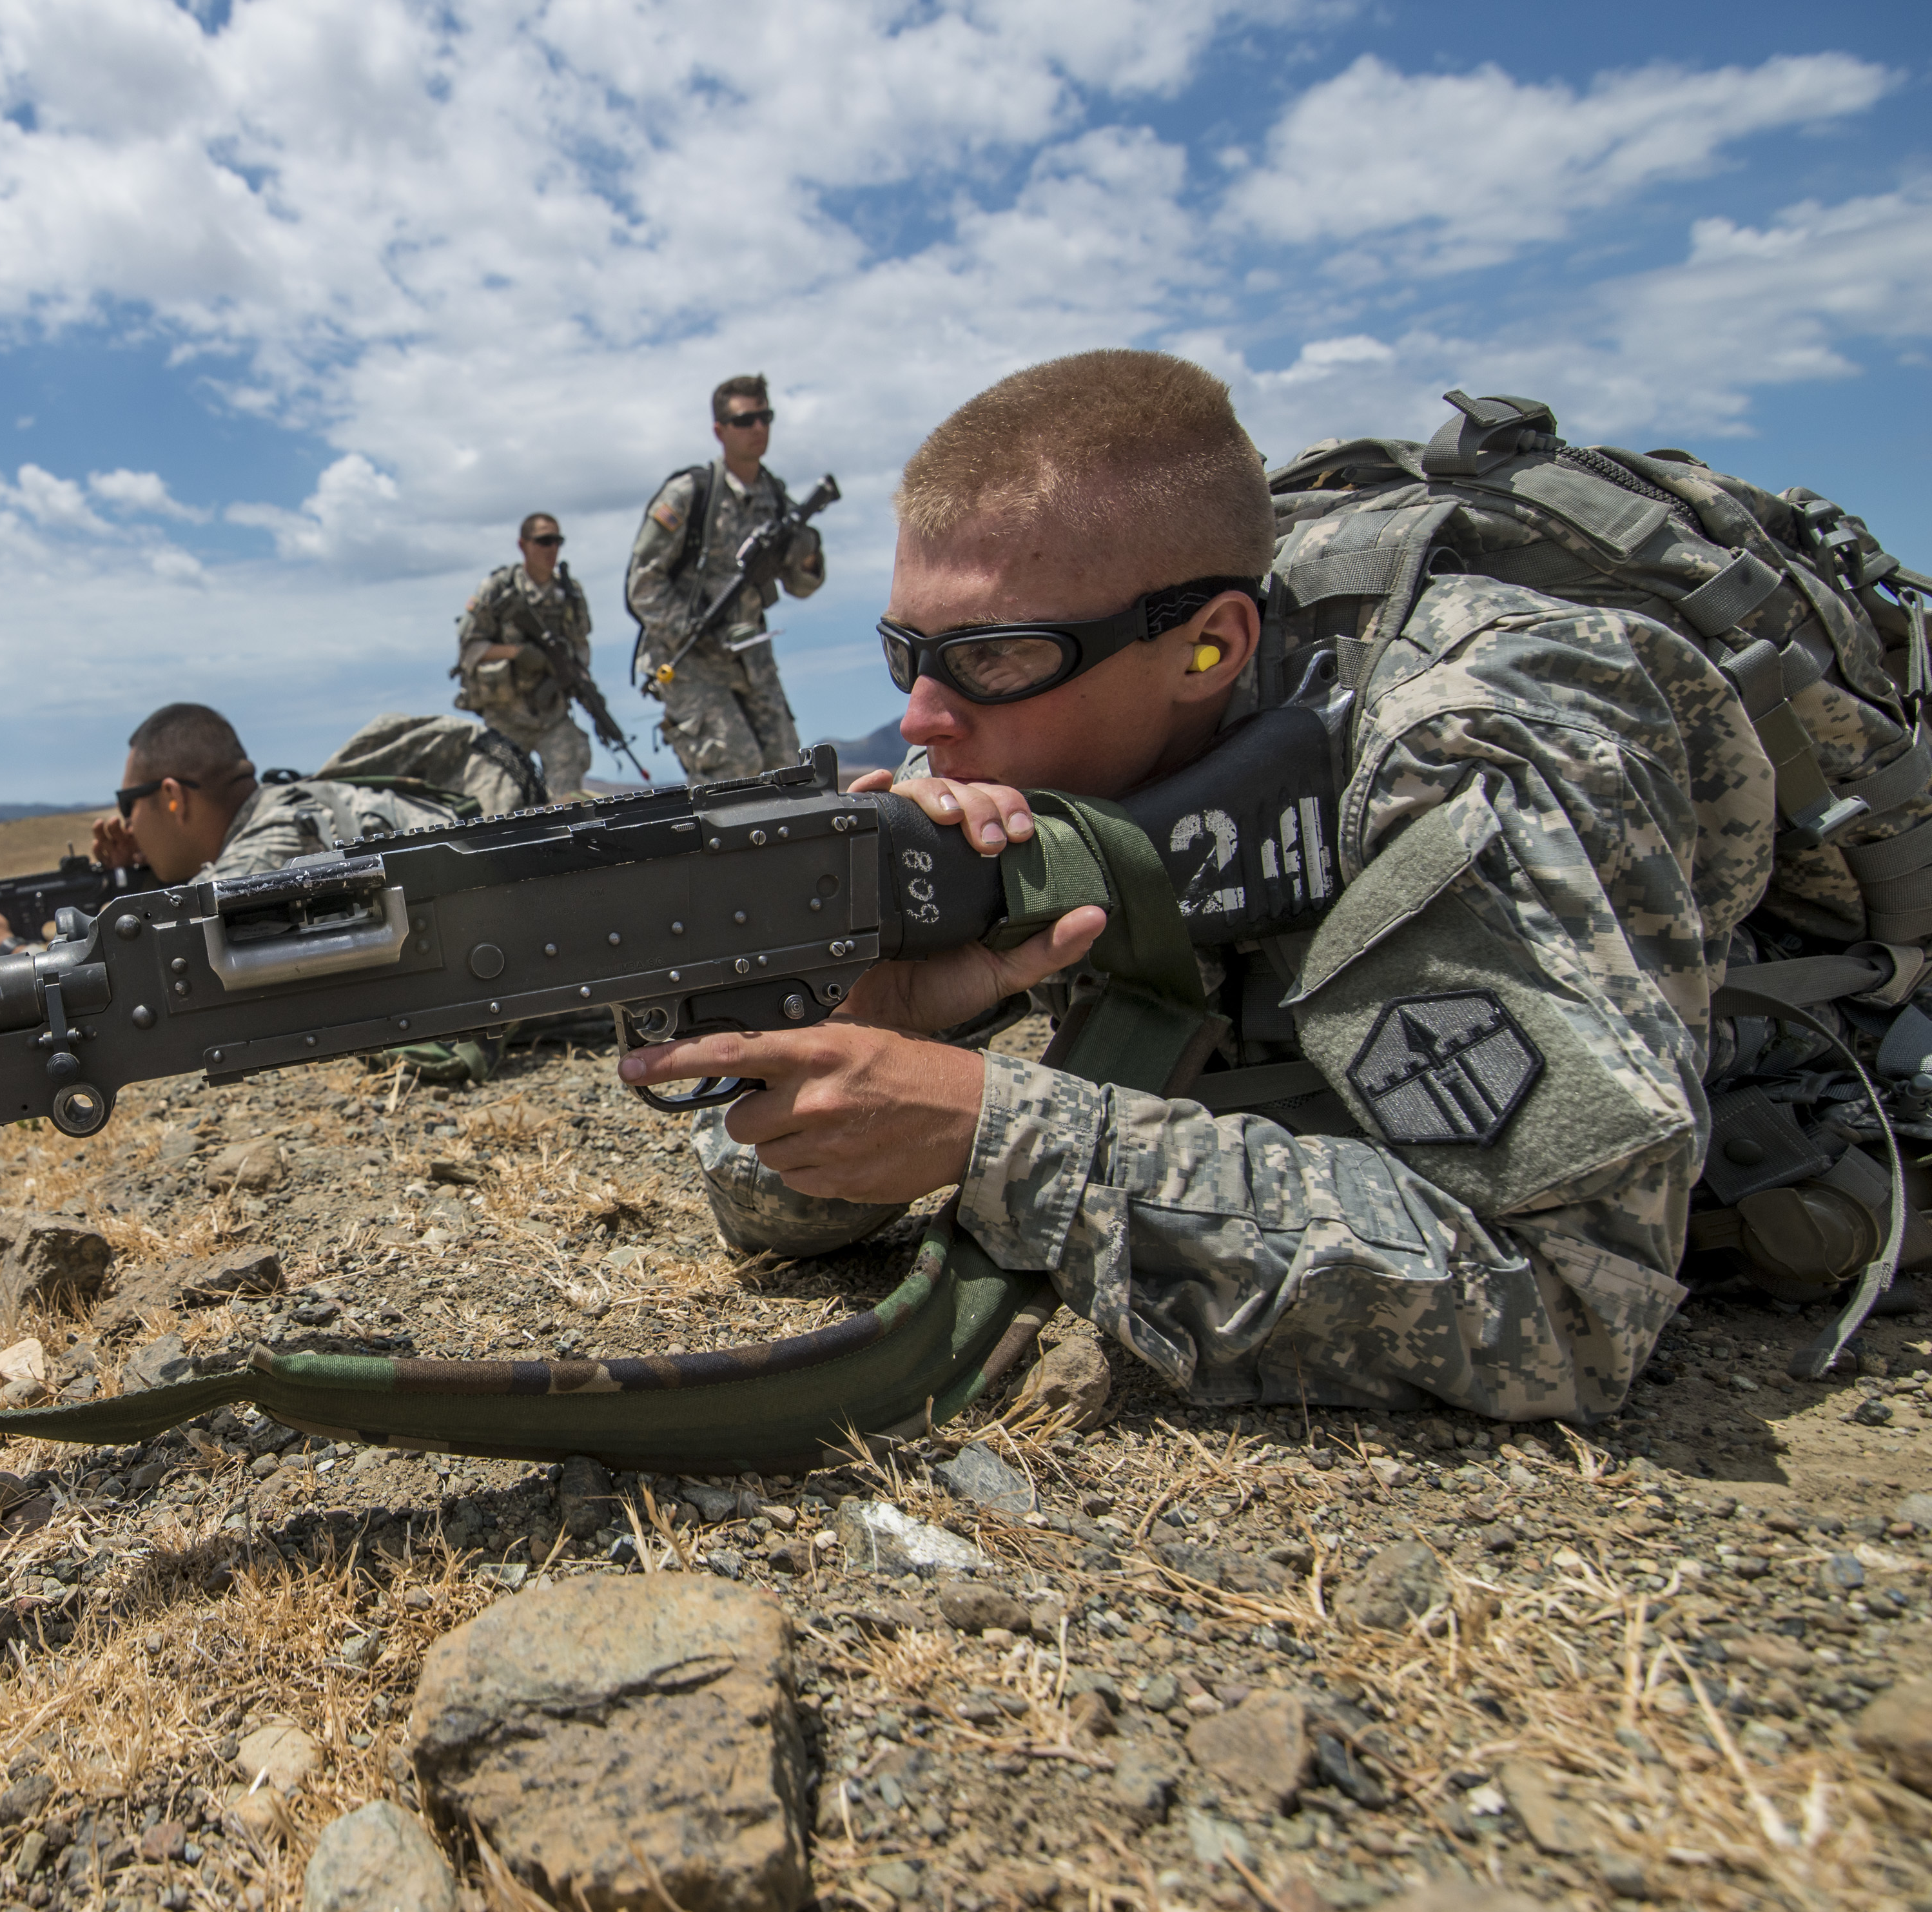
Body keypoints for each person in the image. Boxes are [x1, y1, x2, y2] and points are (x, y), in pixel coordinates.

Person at [623, 349, 1769, 1423]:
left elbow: (1573, 1303)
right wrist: (870, 1018)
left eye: (993, 657)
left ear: (1210, 648)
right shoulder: (999, 740)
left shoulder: (1469, 747)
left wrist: (1000, 1129)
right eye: (905, 654)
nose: (923, 719)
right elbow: (761, 1206)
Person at [0, 704, 520, 955]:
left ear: (171, 797)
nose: (123, 823)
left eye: (130, 803)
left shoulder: (273, 844)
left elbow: (163, 965)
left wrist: (4, 946)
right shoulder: (285, 812)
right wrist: (137, 876)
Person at [625, 374, 827, 781]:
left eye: (764, 417)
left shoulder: (775, 497)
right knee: (733, 771)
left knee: (788, 771)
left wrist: (803, 551)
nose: (758, 428)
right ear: (719, 430)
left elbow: (802, 585)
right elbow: (642, 586)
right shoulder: (690, 493)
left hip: (751, 655)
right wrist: (698, 628)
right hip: (688, 656)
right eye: (744, 420)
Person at [454, 513, 603, 799]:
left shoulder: (570, 594)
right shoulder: (498, 589)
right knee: (501, 800)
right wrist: (519, 653)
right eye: (543, 541)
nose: (552, 549)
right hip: (505, 717)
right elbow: (469, 648)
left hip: (553, 716)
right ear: (523, 545)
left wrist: (579, 681)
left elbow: (580, 648)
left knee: (568, 798)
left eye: (557, 541)